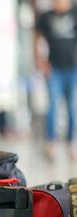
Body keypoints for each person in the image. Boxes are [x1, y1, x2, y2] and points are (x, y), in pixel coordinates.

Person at [35, 0, 77, 160]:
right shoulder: (46, 17)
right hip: (54, 70)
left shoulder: (75, 12)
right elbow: (36, 38)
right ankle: (51, 144)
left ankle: (70, 144)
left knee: (72, 107)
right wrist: (40, 61)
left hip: (72, 69)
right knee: (52, 106)